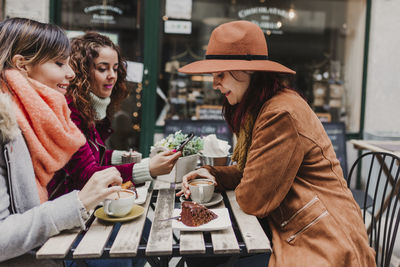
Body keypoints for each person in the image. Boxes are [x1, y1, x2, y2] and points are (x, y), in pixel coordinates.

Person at [177, 21, 376, 266]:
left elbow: (252, 199)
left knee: (204, 256)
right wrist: (211, 173)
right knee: (201, 256)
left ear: (248, 71)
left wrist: (226, 179)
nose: (214, 83)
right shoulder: (264, 107)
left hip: (322, 239)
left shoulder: (280, 114)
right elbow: (254, 174)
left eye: (220, 74)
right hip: (290, 227)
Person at [0, 17, 124, 266]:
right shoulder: (6, 126)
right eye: (59, 63)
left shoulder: (36, 121)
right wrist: (77, 203)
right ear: (22, 65)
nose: (70, 73)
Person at [47, 32, 181, 199]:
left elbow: (92, 156)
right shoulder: (69, 110)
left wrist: (125, 157)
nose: (112, 75)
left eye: (115, 69)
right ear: (82, 71)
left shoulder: (88, 106)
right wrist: (148, 168)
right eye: (102, 68)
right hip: (65, 211)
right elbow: (87, 175)